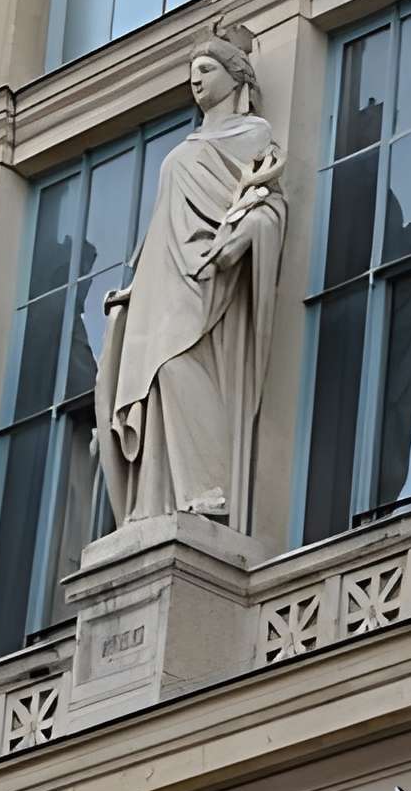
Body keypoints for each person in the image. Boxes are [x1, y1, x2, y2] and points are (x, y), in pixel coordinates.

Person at [96, 26, 288, 528]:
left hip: (205, 269)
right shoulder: (189, 144)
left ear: (235, 78)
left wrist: (241, 239)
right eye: (192, 73)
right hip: (164, 275)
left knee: (178, 364)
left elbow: (267, 204)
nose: (195, 80)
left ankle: (207, 486)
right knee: (157, 376)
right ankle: (157, 500)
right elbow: (162, 225)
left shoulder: (253, 135)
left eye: (206, 70)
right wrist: (135, 289)